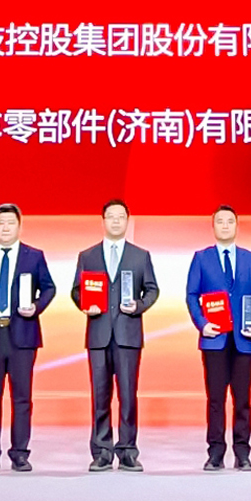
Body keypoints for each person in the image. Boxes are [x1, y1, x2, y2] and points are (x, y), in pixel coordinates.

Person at [0, 202, 55, 471]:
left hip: (22, 336)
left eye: (11, 223)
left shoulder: (34, 256)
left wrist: (36, 307)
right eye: (1, 223)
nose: (5, 228)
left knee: (22, 398)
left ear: (19, 226)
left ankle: (19, 453)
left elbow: (49, 288)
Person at [78, 200, 162, 470]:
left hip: (128, 335)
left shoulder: (140, 256)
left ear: (127, 221)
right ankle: (102, 451)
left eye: (120, 217)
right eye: (111, 217)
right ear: (103, 220)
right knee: (100, 396)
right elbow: (77, 290)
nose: (115, 221)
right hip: (98, 335)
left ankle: (127, 450)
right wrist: (85, 304)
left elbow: (152, 289)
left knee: (128, 395)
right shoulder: (88, 256)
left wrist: (138, 306)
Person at [186, 205, 251, 470]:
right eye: (220, 221)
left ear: (237, 226)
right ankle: (216, 453)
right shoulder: (201, 258)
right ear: (213, 226)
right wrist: (202, 324)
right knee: (216, 399)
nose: (225, 226)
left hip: (243, 339)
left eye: (230, 221)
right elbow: (191, 295)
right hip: (214, 338)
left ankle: (242, 453)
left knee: (242, 399)